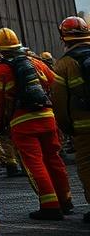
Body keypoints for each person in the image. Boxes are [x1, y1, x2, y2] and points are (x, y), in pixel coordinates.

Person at [0, 27, 72, 220]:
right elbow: (57, 86)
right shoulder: (37, 63)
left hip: (23, 123)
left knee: (34, 162)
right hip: (48, 118)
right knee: (54, 158)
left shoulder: (0, 70)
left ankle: (50, 205)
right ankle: (65, 201)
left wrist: (0, 125)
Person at [52, 16, 90, 224]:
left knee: (87, 165)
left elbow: (59, 100)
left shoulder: (65, 63)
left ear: (63, 37)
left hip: (83, 128)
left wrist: (66, 126)